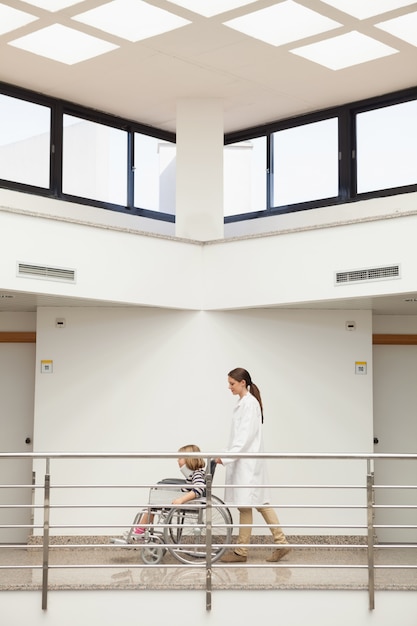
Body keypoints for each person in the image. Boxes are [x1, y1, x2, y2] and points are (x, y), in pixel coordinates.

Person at [216, 367, 290, 563]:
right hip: (244, 461)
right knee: (248, 504)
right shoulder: (245, 403)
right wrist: (226, 454)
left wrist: (226, 457)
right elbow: (237, 437)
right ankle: (244, 550)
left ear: (242, 383)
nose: (229, 387)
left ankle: (277, 543)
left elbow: (244, 438)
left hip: (247, 463)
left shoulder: (249, 404)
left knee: (257, 502)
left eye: (232, 383)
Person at [133, 444, 206, 535]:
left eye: (180, 458)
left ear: (189, 459)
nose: (177, 460)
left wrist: (181, 499)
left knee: (152, 503)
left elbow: (199, 488)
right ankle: (144, 530)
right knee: (152, 504)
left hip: (186, 501)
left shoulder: (197, 474)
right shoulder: (194, 473)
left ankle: (139, 531)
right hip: (181, 498)